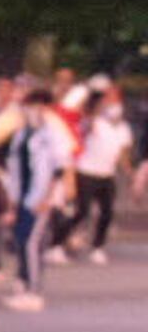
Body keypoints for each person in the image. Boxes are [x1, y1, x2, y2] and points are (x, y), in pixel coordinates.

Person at [0, 83, 70, 311]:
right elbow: (15, 167)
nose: (32, 110)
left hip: (41, 197)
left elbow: (60, 167)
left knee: (31, 242)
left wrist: (47, 198)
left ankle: (33, 291)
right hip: (23, 195)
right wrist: (11, 202)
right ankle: (23, 280)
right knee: (20, 239)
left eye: (36, 105)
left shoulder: (53, 132)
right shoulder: (23, 133)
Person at [54, 77, 128, 263]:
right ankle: (56, 245)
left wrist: (130, 173)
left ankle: (97, 246)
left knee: (107, 212)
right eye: (107, 99)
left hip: (107, 174)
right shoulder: (91, 121)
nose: (111, 103)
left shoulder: (121, 127)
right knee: (81, 212)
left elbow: (121, 152)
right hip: (86, 172)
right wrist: (89, 92)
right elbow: (73, 112)